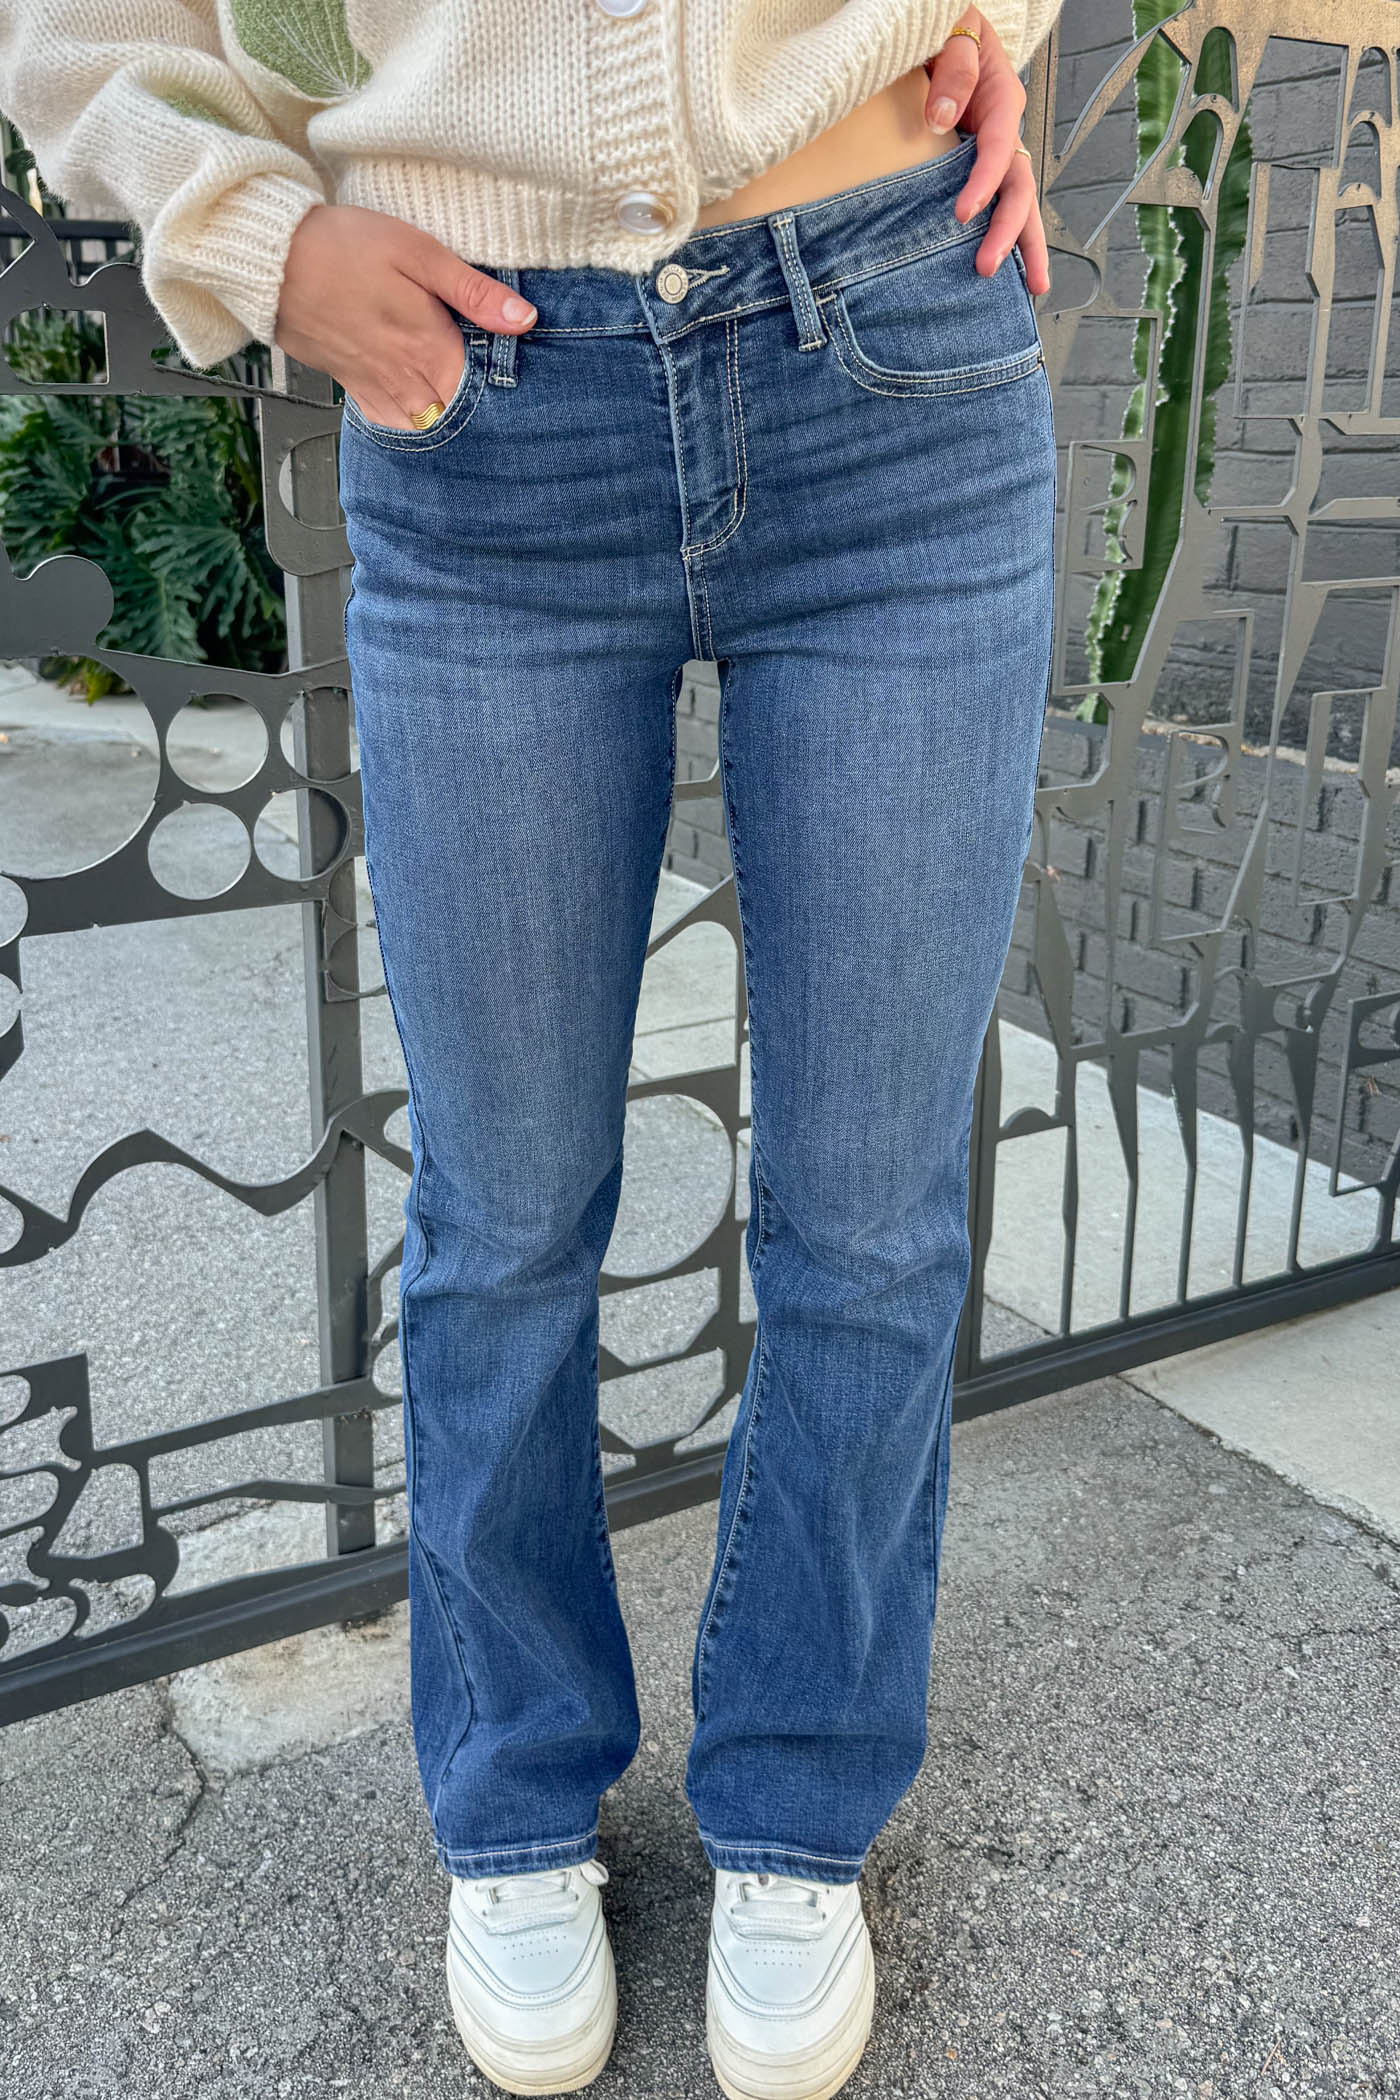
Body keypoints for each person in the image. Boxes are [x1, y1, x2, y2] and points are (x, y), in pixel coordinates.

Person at [0, 4, 1065, 2093]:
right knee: (504, 1211)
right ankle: (509, 1793)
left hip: (892, 340)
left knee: (869, 1210)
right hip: (479, 403)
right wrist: (245, 226)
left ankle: (797, 1799)